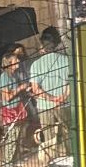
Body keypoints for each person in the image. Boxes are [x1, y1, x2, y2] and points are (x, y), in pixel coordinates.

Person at [29, 27, 71, 157]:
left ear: (42, 44)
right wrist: (62, 97)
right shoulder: (67, 60)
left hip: (44, 106)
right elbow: (70, 83)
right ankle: (70, 158)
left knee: (49, 137)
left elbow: (36, 89)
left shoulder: (36, 64)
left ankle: (53, 162)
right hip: (64, 104)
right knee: (68, 133)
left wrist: (51, 99)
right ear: (57, 43)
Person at [0, 48, 37, 166]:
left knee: (18, 134)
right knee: (12, 136)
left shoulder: (13, 75)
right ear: (10, 63)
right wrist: (20, 88)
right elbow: (6, 97)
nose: (18, 61)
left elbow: (17, 92)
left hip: (18, 108)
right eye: (16, 59)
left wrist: (27, 90)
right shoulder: (4, 76)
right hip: (10, 110)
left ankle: (15, 158)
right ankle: (8, 163)